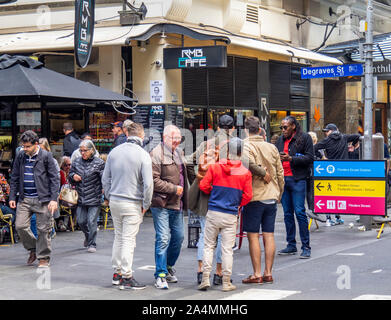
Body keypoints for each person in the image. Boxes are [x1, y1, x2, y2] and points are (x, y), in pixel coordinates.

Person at [102, 122, 153, 290]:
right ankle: (127, 275)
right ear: (141, 135)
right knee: (128, 240)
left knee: (119, 237)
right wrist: (146, 204)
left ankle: (116, 273)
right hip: (132, 202)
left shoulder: (114, 152)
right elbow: (148, 185)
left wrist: (109, 196)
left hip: (115, 200)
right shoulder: (143, 154)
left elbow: (105, 179)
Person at [198, 137, 253, 292]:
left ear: (227, 151)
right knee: (227, 249)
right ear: (241, 153)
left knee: (209, 246)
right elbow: (248, 195)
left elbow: (203, 185)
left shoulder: (215, 167)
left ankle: (205, 279)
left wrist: (214, 193)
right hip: (230, 214)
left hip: (214, 211)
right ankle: (226, 282)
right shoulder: (245, 173)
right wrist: (237, 204)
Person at [187, 114, 235, 286]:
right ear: (233, 128)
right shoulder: (235, 146)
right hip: (226, 195)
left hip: (205, 196)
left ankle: (201, 272)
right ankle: (219, 273)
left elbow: (187, 161)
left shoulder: (205, 145)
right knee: (223, 238)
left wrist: (198, 178)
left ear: (217, 127)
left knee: (204, 237)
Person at [241, 117, 284, 285]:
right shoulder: (272, 147)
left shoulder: (245, 146)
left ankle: (257, 273)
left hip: (254, 196)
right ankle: (268, 273)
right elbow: (280, 173)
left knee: (253, 236)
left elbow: (246, 165)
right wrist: (279, 192)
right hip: (271, 196)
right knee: (269, 234)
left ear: (246, 130)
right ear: (260, 130)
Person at [9, 130, 59, 268]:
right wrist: (12, 196)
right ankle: (33, 249)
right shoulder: (21, 156)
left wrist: (54, 199)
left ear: (36, 144)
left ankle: (43, 258)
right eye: (23, 146)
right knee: (20, 226)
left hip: (43, 199)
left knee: (43, 229)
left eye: (27, 146)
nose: (24, 149)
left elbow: (54, 179)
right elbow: (14, 177)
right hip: (24, 198)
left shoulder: (46, 156)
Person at [149, 125, 190, 290]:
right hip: (161, 203)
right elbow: (153, 180)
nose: (177, 140)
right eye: (174, 138)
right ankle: (160, 274)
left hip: (177, 203)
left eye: (179, 137)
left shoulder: (179, 152)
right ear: (165, 137)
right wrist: (173, 188)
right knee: (164, 238)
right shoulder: (156, 154)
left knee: (179, 238)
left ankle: (168, 266)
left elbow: (185, 174)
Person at [276, 116, 314, 259]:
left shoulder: (305, 138)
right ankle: (291, 244)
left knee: (299, 212)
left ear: (293, 126)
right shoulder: (280, 140)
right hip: (284, 180)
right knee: (287, 214)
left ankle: (306, 246)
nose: (283, 130)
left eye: (285, 127)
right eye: (281, 127)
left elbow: (310, 158)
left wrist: (291, 159)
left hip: (298, 179)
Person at [314, 123, 360, 226]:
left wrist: (320, 157)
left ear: (332, 130)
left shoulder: (327, 141)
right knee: (341, 193)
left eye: (327, 131)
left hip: (331, 170)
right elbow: (357, 136)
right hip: (344, 170)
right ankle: (340, 216)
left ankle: (329, 218)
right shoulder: (344, 137)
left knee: (330, 194)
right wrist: (353, 145)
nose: (326, 133)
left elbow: (314, 148)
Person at [68, 140, 105, 253]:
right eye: (81, 151)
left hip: (94, 196)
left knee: (91, 221)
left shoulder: (99, 163)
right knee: (81, 221)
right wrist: (73, 176)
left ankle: (92, 243)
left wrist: (105, 192)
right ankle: (88, 237)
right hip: (80, 196)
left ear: (92, 150)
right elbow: (70, 174)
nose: (83, 153)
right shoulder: (76, 162)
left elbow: (104, 178)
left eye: (85, 151)